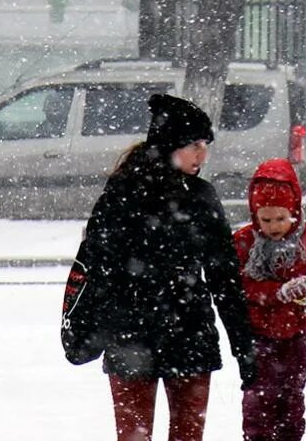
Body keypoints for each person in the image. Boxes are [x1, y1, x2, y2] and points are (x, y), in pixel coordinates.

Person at [66, 94, 257, 441]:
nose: (202, 154)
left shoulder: (179, 194)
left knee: (153, 434)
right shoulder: (128, 193)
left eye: (205, 145)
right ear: (170, 145)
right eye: (193, 145)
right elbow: (99, 264)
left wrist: (243, 345)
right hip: (154, 334)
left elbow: (224, 277)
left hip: (164, 333)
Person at [231, 159, 306, 441]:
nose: (273, 227)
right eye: (265, 220)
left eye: (281, 218)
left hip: (296, 331)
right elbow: (238, 286)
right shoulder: (244, 242)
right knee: (257, 397)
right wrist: (275, 293)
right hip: (257, 333)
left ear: (294, 211)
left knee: (292, 395)